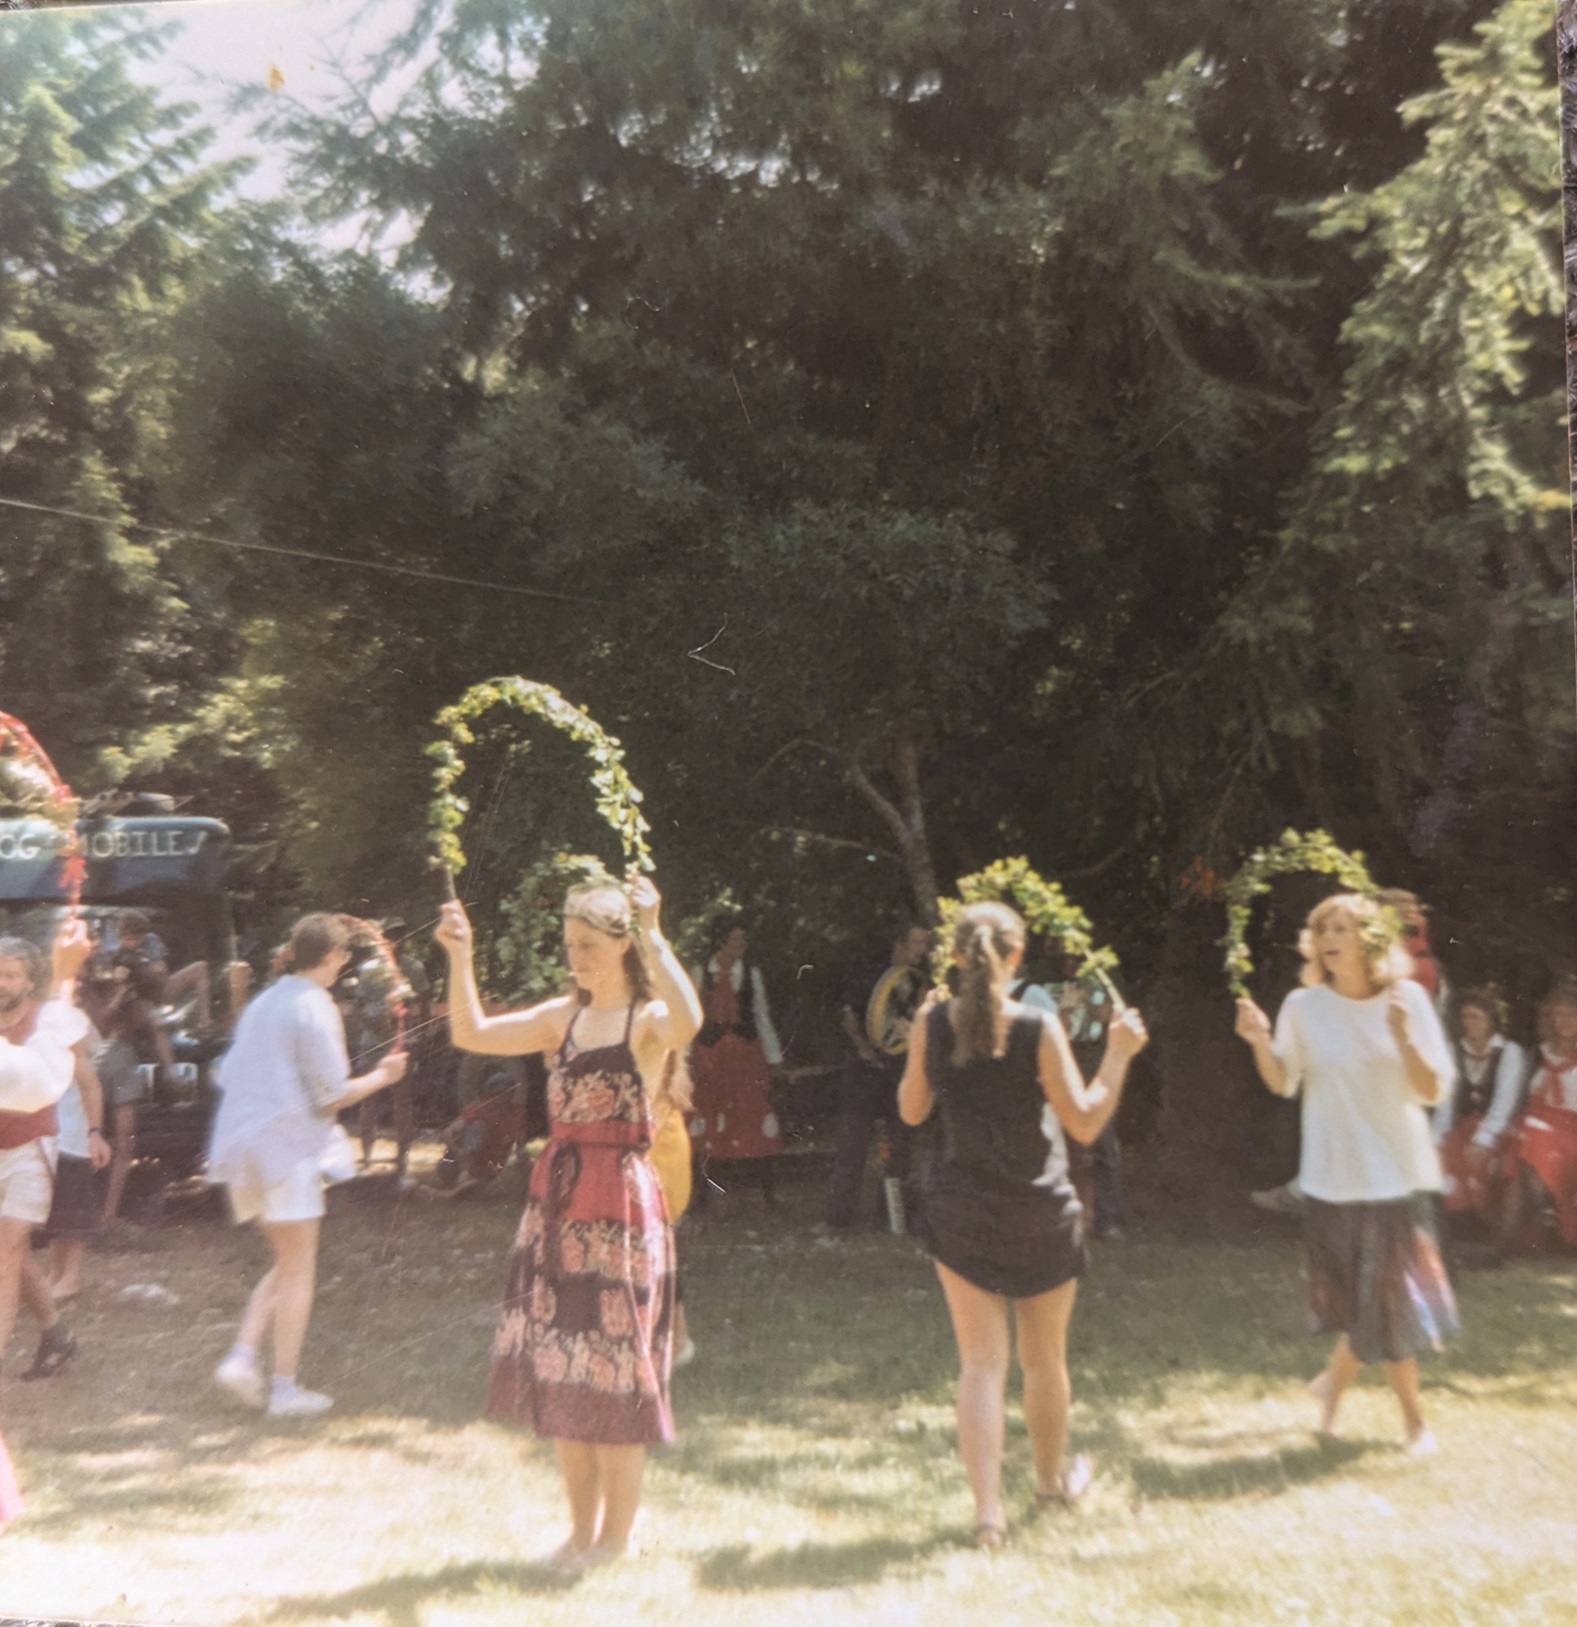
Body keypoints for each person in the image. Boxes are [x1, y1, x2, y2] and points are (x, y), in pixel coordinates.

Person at [436, 874, 702, 1577]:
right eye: (569, 945)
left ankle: (614, 1540)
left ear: (619, 944)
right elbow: (471, 1031)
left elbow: (689, 1021)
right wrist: (460, 956)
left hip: (620, 1209)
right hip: (556, 1209)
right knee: (561, 1370)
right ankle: (578, 1533)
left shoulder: (645, 1020)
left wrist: (655, 930)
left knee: (616, 1373)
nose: (576, 958)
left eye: (587, 945)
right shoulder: (563, 1016)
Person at [898, 902, 1147, 1549]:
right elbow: (1086, 1120)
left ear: (955, 955)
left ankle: (988, 1517)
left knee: (981, 1365)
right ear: (1016, 957)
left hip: (960, 1212)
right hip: (1038, 1208)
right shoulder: (1037, 1024)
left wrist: (921, 1039)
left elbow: (909, 1109)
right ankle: (1045, 1485)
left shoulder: (930, 1020)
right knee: (1044, 1361)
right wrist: (1118, 1054)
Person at [1234, 892, 1456, 1454]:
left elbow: (1432, 1090)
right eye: (1322, 929)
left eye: (1343, 928)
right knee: (1360, 1302)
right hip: (1332, 1176)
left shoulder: (1408, 999)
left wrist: (1404, 1037)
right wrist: (1260, 1039)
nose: (1330, 939)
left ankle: (1414, 1423)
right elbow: (1283, 1081)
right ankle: (1333, 1389)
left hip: (1397, 1175)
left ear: (1372, 939)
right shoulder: (1302, 1007)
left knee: (1389, 1302)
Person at [206, 912, 408, 1417]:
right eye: (344, 955)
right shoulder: (315, 1006)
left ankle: (242, 1357)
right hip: (286, 1150)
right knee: (299, 1269)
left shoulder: (262, 1003)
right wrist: (385, 1075)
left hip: (240, 1147)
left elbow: (227, 1072)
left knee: (286, 1260)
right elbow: (331, 1096)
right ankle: (284, 1389)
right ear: (335, 956)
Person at [0, 923, 90, 1382]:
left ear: (28, 980)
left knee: (8, 1249)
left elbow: (69, 1068)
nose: (1, 982)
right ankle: (56, 1335)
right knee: (12, 1257)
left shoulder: (42, 1018)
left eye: (11, 974)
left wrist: (93, 1130)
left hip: (29, 1144)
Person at [825, 920, 932, 1231]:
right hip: (864, 1072)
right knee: (853, 1145)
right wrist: (862, 1046)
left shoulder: (922, 981)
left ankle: (891, 1218)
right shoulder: (867, 972)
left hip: (900, 1072)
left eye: (925, 945)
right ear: (899, 944)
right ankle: (839, 1219)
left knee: (899, 1146)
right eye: (917, 944)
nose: (922, 952)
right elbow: (848, 1015)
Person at [1017, 945, 1127, 1241]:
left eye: (1074, 957)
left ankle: (1109, 1219)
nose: (1068, 961)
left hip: (1091, 1057)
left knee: (1102, 1138)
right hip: (1056, 1055)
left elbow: (1115, 1013)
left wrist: (1094, 1010)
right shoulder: (1040, 973)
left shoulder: (1102, 971)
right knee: (1045, 1134)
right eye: (1063, 955)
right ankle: (1043, 1216)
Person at [688, 919, 785, 1210]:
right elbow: (690, 1019)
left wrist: (775, 1058)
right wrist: (681, 1058)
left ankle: (769, 1197)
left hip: (745, 1060)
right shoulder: (700, 974)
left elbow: (761, 1016)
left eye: (743, 940)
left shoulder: (751, 974)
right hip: (710, 1060)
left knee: (754, 1118)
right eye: (735, 940)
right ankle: (700, 1198)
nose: (741, 946)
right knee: (706, 1121)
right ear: (721, 942)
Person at [1436, 989, 1528, 1225]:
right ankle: (1460, 1223)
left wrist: (1483, 1139)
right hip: (1464, 1127)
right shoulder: (1452, 1050)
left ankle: (1483, 1225)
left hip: (1498, 1130)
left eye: (1477, 1017)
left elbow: (1504, 1104)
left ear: (1491, 1020)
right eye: (1466, 1017)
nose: (1471, 1023)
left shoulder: (1509, 1053)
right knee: (1447, 1155)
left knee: (1481, 1159)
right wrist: (1437, 1138)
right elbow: (1445, 1102)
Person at [1501, 980, 1577, 1251]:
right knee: (1526, 1138)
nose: (1564, 1020)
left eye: (1571, 1014)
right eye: (1558, 1013)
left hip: (1571, 1135)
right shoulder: (1539, 1055)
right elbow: (1525, 1101)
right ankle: (1511, 1234)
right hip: (1536, 1131)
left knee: (1529, 1137)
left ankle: (1505, 1238)